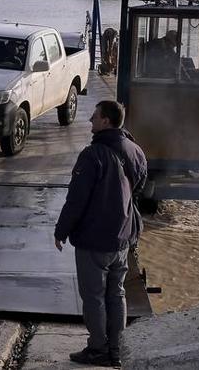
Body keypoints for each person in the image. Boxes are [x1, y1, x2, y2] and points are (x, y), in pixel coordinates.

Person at [54, 100, 148, 367]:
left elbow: (77, 199)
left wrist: (61, 230)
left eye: (94, 116)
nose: (90, 121)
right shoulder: (135, 150)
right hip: (122, 236)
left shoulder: (92, 154)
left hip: (94, 239)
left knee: (94, 296)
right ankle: (117, 349)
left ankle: (98, 349)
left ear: (106, 120)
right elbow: (140, 185)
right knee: (117, 293)